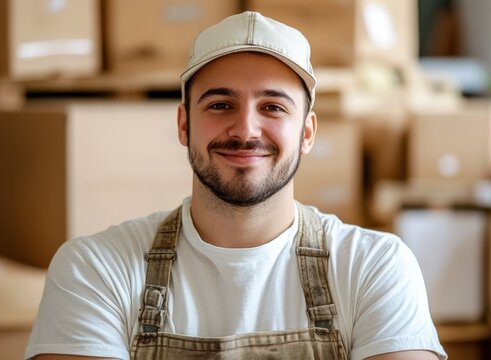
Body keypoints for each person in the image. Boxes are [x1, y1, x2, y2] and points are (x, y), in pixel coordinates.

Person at [25, 11, 447, 360]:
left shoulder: (373, 268)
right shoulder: (96, 269)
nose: (246, 129)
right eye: (221, 104)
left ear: (307, 132)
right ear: (184, 124)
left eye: (272, 106)